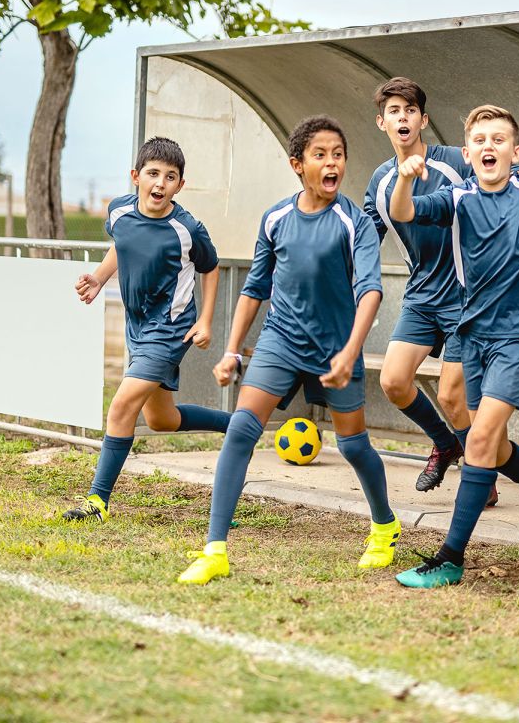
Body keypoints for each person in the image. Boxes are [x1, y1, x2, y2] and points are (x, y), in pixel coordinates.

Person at [177, 115, 400, 585]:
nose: (332, 162)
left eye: (338, 154)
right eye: (320, 155)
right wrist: (233, 351)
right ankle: (214, 550)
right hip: (280, 340)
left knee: (353, 445)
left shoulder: (354, 222)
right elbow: (255, 288)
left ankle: (384, 526)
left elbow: (370, 291)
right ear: (297, 164)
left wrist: (350, 352)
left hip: (337, 347)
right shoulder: (276, 218)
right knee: (242, 430)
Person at [389, 105, 519, 589]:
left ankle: (450, 557)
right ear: (467, 153)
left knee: (478, 439)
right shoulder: (458, 197)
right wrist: (405, 179)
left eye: (498, 139)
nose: (488, 146)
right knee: (490, 444)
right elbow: (402, 212)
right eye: (480, 140)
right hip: (472, 334)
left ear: (515, 152)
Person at [63, 137, 231, 522]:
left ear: (180, 185)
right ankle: (236, 425)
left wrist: (205, 320)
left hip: (170, 329)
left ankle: (97, 501)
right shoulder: (119, 211)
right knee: (161, 419)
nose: (160, 183)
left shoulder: (188, 228)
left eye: (170, 177)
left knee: (122, 405)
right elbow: (121, 245)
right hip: (137, 325)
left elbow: (210, 268)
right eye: (153, 173)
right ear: (136, 176)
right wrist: (99, 279)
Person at [363, 77, 480, 496]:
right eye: (394, 111)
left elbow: (505, 181)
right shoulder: (380, 180)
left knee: (453, 397)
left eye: (410, 110)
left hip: (466, 296)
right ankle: (446, 444)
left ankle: (480, 476)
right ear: (382, 122)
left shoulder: (454, 161)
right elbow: (364, 240)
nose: (403, 118)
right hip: (421, 296)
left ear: (423, 120)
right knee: (393, 381)